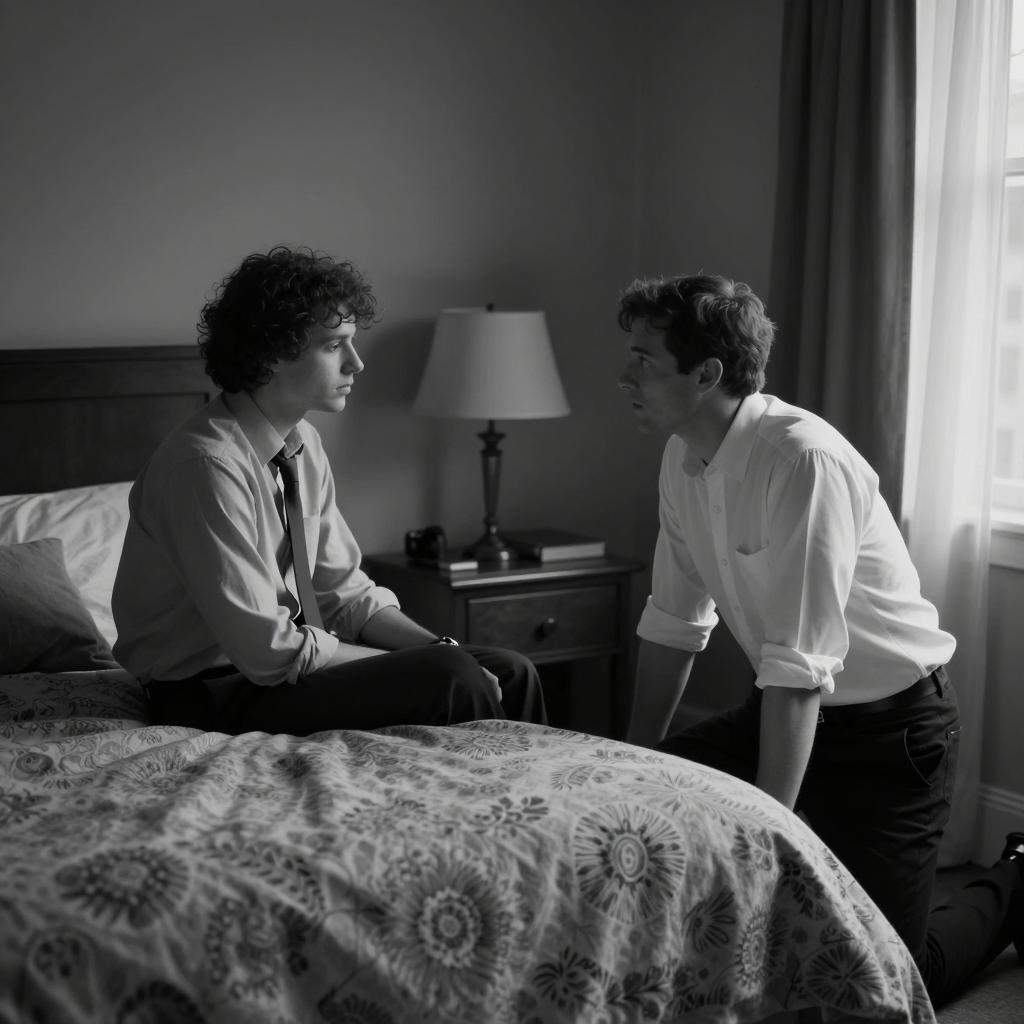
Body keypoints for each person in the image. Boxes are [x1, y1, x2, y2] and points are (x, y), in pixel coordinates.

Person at [616, 272, 1022, 1007]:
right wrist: (629, 766)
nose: (625, 376)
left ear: (706, 374)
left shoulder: (803, 460)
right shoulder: (682, 457)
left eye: (644, 360)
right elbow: (675, 624)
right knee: (639, 805)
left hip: (892, 737)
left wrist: (771, 837)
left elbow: (797, 668)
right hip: (780, 712)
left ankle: (1016, 880)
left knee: (881, 980)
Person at [112, 245, 546, 735]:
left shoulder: (302, 444)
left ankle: (530, 783)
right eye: (334, 345)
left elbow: (345, 595)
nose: (356, 363)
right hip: (211, 691)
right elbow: (268, 651)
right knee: (453, 677)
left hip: (274, 673)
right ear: (271, 353)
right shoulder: (204, 466)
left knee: (511, 669)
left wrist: (438, 647)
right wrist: (434, 665)